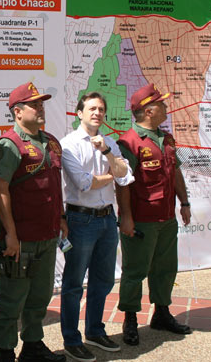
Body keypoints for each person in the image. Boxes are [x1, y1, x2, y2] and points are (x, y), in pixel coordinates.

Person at [0, 82, 67, 362]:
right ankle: (5, 352)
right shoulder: (8, 145)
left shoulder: (51, 142)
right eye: (35, 104)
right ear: (17, 112)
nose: (41, 107)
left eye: (42, 103)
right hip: (21, 240)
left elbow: (53, 186)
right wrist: (10, 233)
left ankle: (32, 346)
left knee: (39, 297)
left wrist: (61, 219)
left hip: (46, 235)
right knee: (11, 299)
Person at [116, 83, 192, 346]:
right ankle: (130, 320)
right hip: (141, 220)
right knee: (135, 271)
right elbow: (122, 182)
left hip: (166, 218)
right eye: (162, 103)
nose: (166, 106)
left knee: (165, 269)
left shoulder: (166, 138)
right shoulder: (128, 142)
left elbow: (176, 171)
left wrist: (184, 202)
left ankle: (161, 313)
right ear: (149, 110)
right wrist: (126, 217)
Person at [59, 92, 134, 361]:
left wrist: (106, 152)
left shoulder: (110, 142)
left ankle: (94, 330)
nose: (97, 113)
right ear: (79, 113)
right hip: (81, 220)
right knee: (74, 284)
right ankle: (71, 338)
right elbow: (84, 183)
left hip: (107, 218)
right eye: (91, 108)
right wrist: (113, 170)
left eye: (101, 109)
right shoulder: (68, 145)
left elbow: (126, 177)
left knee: (102, 281)